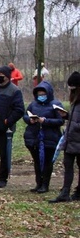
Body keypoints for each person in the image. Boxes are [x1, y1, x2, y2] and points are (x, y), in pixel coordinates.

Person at [23, 81, 65, 193]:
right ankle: (39, 183)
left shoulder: (56, 105)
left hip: (50, 137)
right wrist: (30, 120)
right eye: (39, 94)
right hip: (35, 137)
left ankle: (45, 184)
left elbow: (60, 120)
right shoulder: (33, 104)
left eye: (43, 94)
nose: (41, 96)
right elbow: (25, 115)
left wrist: (45, 121)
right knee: (37, 161)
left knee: (47, 162)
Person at [0, 65, 25, 187]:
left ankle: (2, 179)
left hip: (6, 129)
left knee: (4, 154)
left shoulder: (14, 91)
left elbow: (20, 109)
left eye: (1, 75)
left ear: (7, 77)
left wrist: (8, 121)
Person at [49, 71, 80, 203]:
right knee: (67, 164)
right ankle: (65, 192)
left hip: (76, 139)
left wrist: (73, 126)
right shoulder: (75, 101)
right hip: (70, 139)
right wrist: (67, 116)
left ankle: (76, 191)